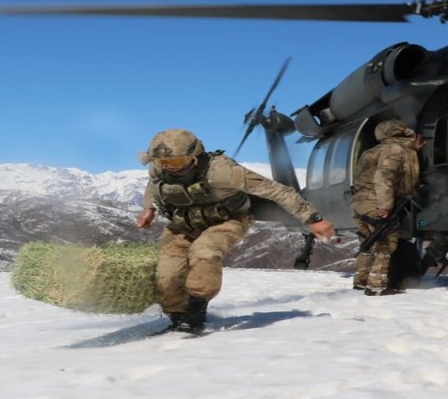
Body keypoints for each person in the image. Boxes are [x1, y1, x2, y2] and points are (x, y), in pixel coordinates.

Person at [136, 129, 336, 334]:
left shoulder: (222, 171)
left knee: (205, 252)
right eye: (162, 163)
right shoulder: (160, 168)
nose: (169, 168)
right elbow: (154, 184)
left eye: (176, 163)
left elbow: (277, 190)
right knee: (166, 274)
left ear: (194, 156)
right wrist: (148, 209)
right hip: (182, 224)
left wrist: (313, 219)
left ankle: (195, 315)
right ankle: (177, 319)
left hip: (226, 220)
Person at [351, 119, 424, 296]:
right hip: (376, 200)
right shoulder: (394, 150)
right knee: (386, 241)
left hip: (360, 201)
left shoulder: (373, 151)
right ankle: (377, 286)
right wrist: (385, 205)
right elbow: (384, 178)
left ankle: (361, 281)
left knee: (367, 240)